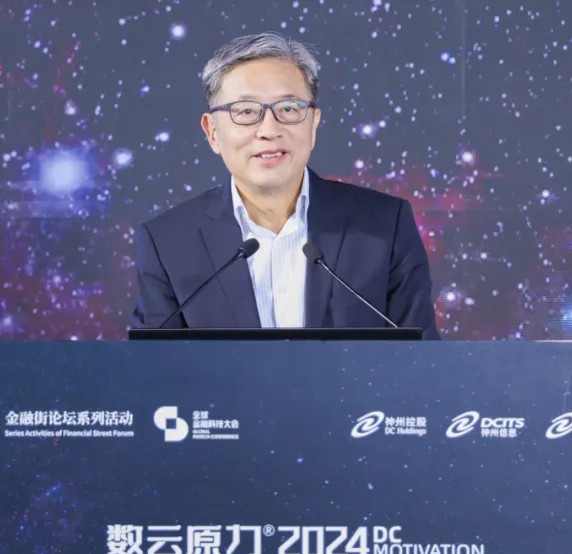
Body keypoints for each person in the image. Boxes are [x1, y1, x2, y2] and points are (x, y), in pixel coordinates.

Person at [130, 32, 440, 339]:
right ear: (212, 132)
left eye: (289, 108)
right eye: (246, 111)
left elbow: (422, 359)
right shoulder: (167, 242)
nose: (269, 130)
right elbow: (151, 366)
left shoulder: (384, 226)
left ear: (313, 124)